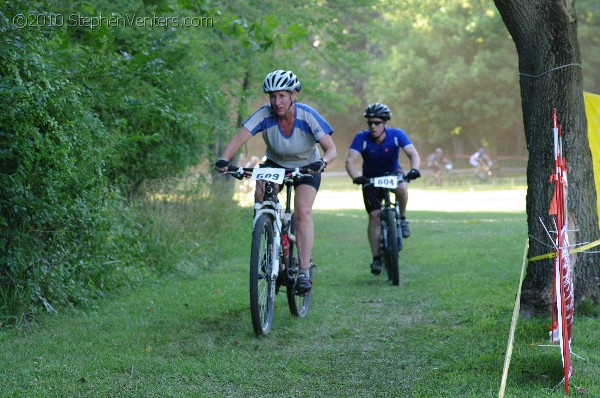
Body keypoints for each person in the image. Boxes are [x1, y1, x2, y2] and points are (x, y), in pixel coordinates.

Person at [215, 69, 337, 294]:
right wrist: (224, 158)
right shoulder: (264, 115)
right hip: (275, 165)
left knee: (302, 211)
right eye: (272, 96)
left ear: (293, 95)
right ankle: (268, 241)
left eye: (282, 96)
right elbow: (239, 137)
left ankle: (302, 270)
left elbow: (331, 149)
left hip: (307, 167)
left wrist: (323, 162)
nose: (277, 101)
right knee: (261, 200)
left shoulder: (307, 115)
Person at [345, 103, 421, 275]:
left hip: (392, 173)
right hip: (371, 178)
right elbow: (350, 160)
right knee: (374, 216)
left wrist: (415, 169)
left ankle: (402, 219)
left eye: (377, 123)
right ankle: (376, 258)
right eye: (370, 123)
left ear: (385, 123)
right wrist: (356, 176)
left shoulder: (396, 134)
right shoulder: (361, 138)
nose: (373, 126)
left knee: (402, 187)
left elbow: (412, 154)